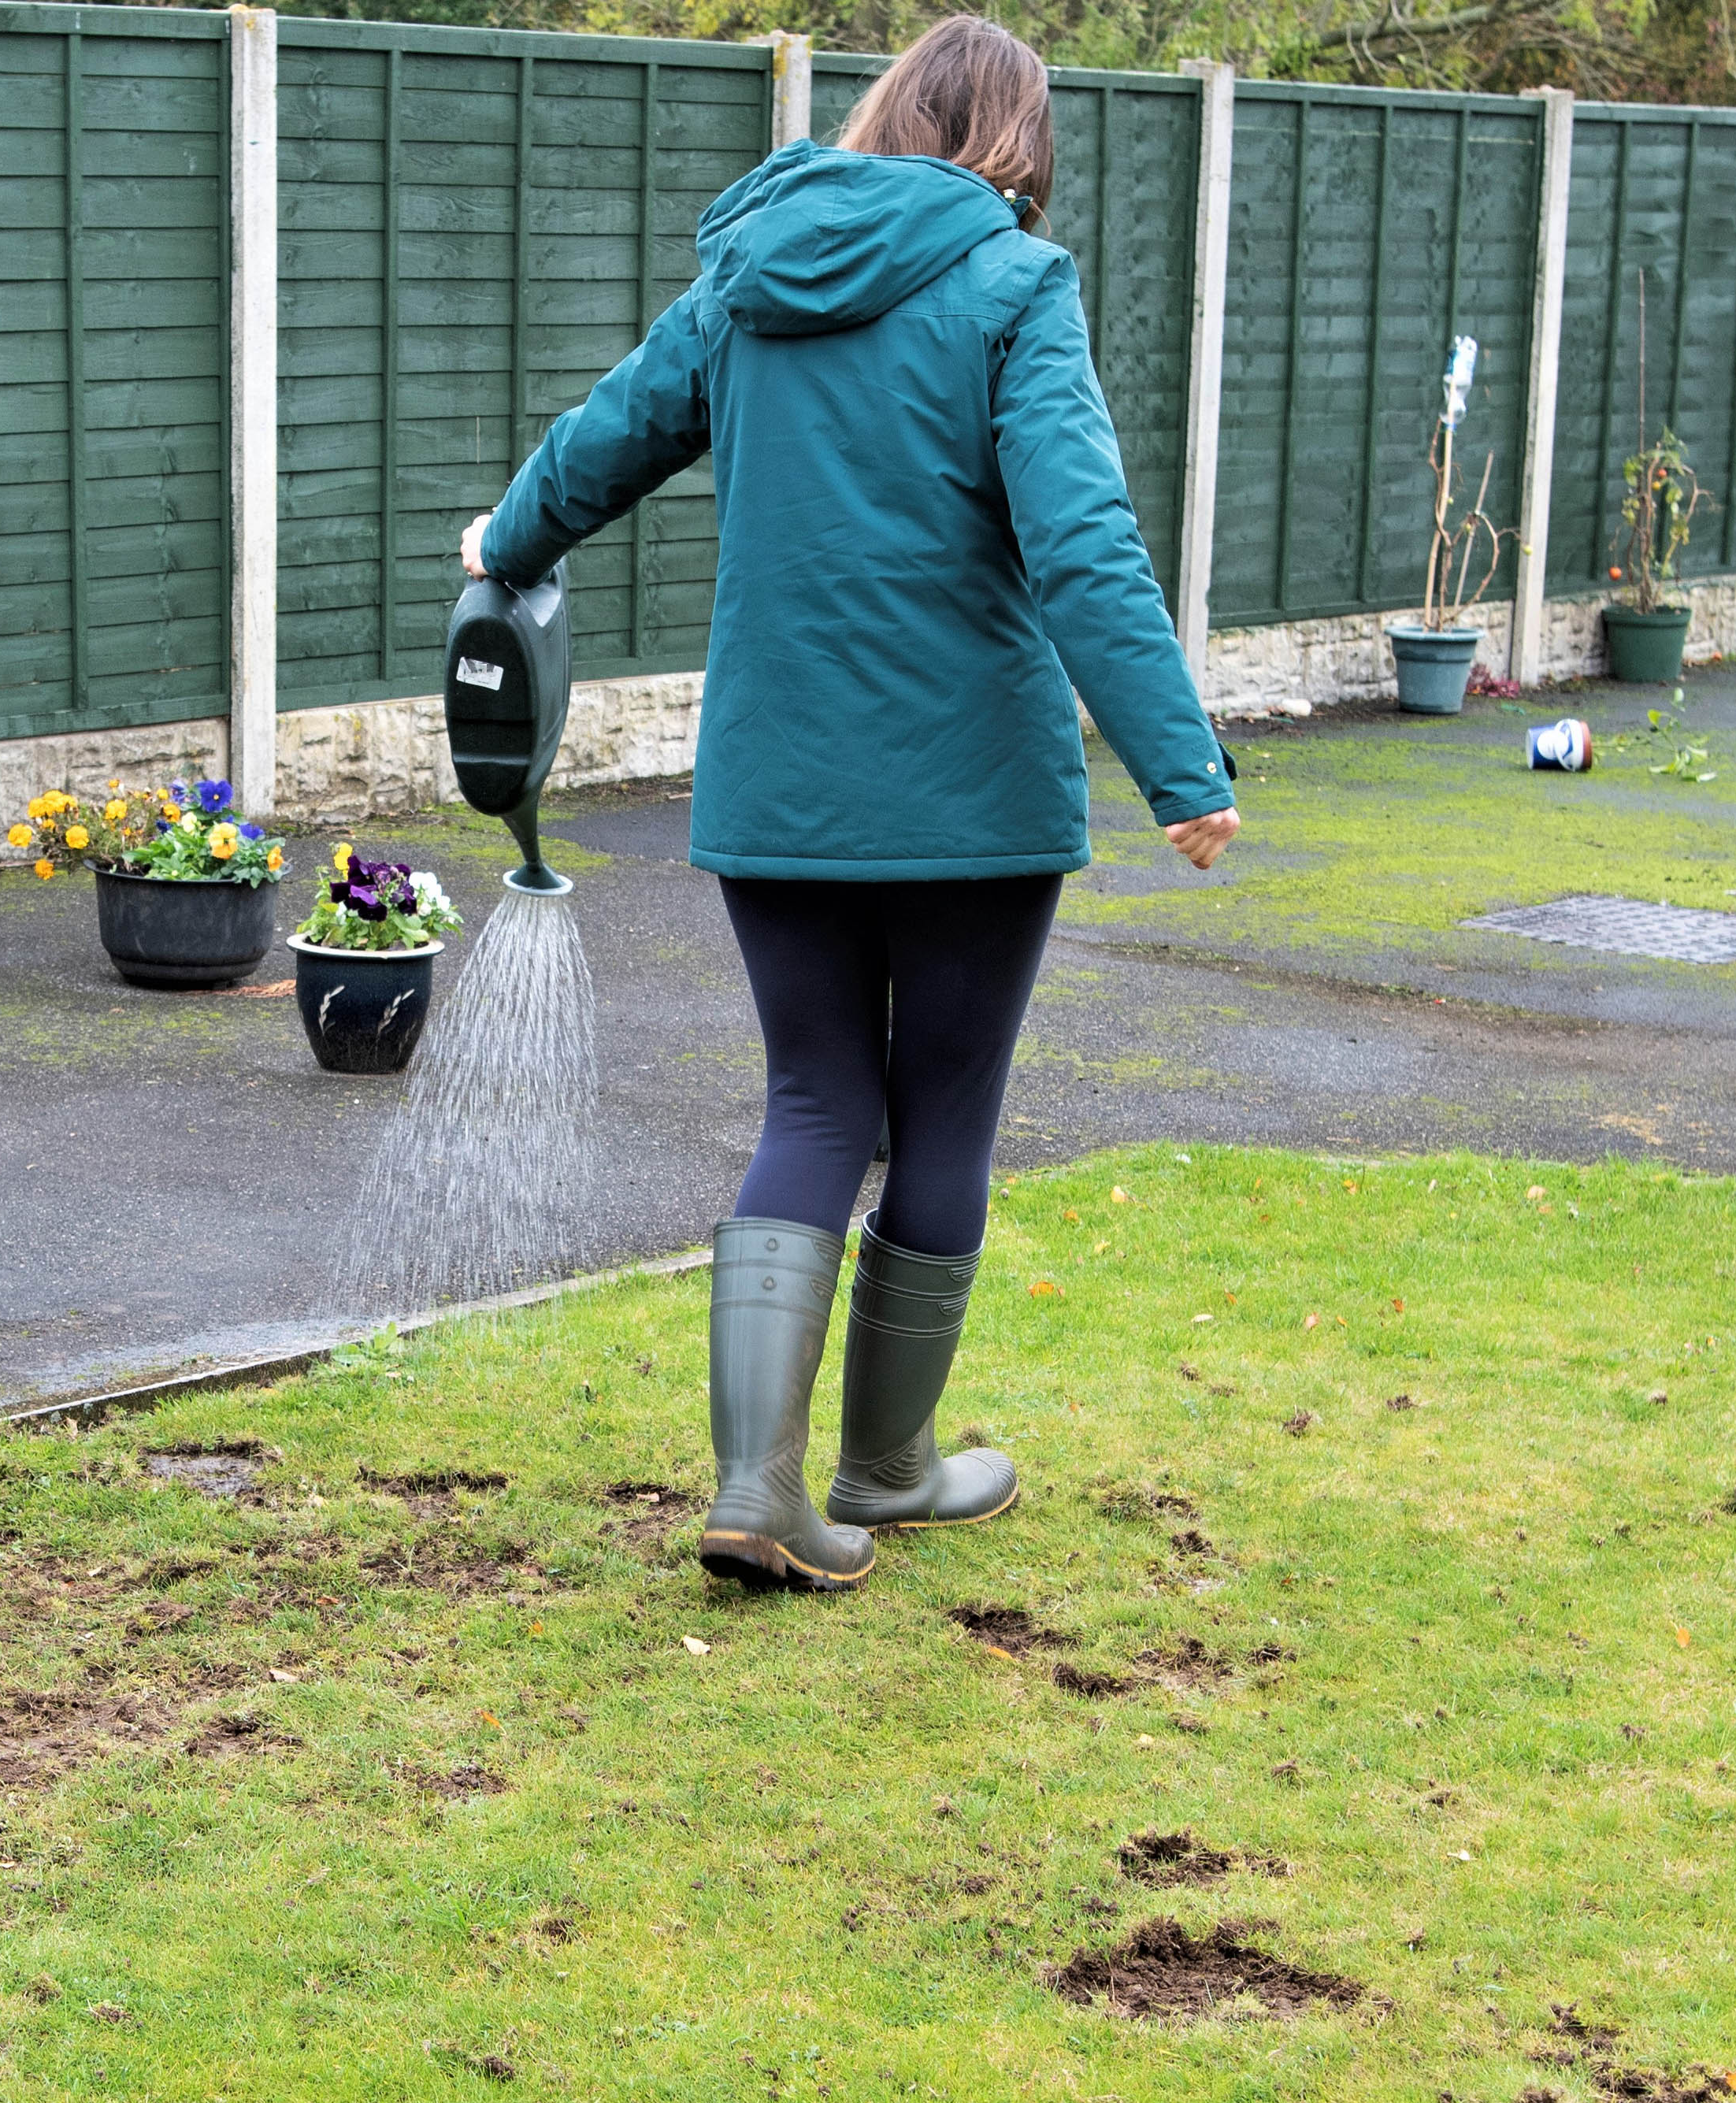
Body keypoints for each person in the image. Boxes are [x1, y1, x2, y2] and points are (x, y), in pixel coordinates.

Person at [461, 15, 1239, 1593]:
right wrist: (1179, 770)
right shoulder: (1015, 285)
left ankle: (758, 1488)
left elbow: (603, 440)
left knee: (815, 1100)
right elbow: (1078, 538)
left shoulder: (747, 280)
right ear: (1012, 145)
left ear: (886, 114)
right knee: (937, 1112)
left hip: (779, 783)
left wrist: (502, 545)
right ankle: (881, 1467)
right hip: (971, 797)